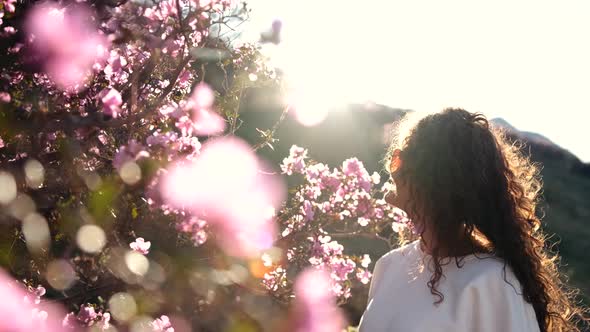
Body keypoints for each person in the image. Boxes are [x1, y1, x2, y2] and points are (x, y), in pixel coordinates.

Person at [359, 109, 587, 331]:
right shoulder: (389, 265)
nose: (393, 161)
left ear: (441, 183)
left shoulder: (493, 282)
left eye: (404, 155)